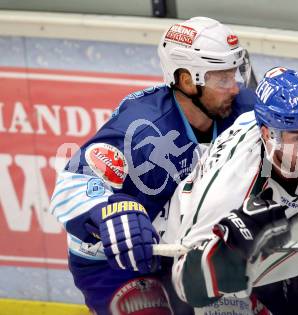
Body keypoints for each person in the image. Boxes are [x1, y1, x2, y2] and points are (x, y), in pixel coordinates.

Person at [49, 16, 255, 315]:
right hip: (113, 260)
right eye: (222, 79)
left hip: (178, 249)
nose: (234, 88)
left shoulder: (241, 110)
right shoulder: (141, 127)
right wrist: (107, 211)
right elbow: (70, 186)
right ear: (187, 80)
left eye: (233, 75)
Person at [164, 67, 298, 314]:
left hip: (292, 242)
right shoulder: (230, 189)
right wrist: (233, 247)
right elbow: (186, 286)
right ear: (268, 135)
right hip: (222, 253)